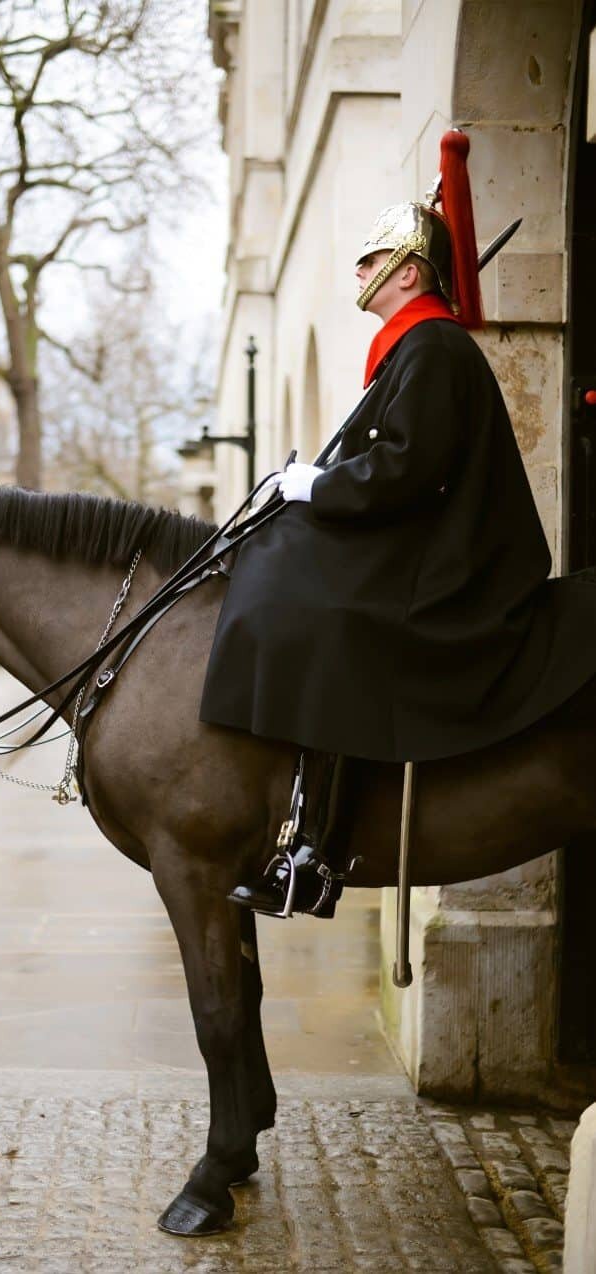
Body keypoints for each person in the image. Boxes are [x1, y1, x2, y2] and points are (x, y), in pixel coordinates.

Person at [199, 131, 596, 917]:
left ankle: (318, 849)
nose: (357, 271)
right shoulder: (415, 349)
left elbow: (405, 472)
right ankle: (307, 832)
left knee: (334, 618)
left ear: (407, 272)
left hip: (462, 563)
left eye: (370, 259)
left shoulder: (434, 349)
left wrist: (316, 485)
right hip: (430, 542)